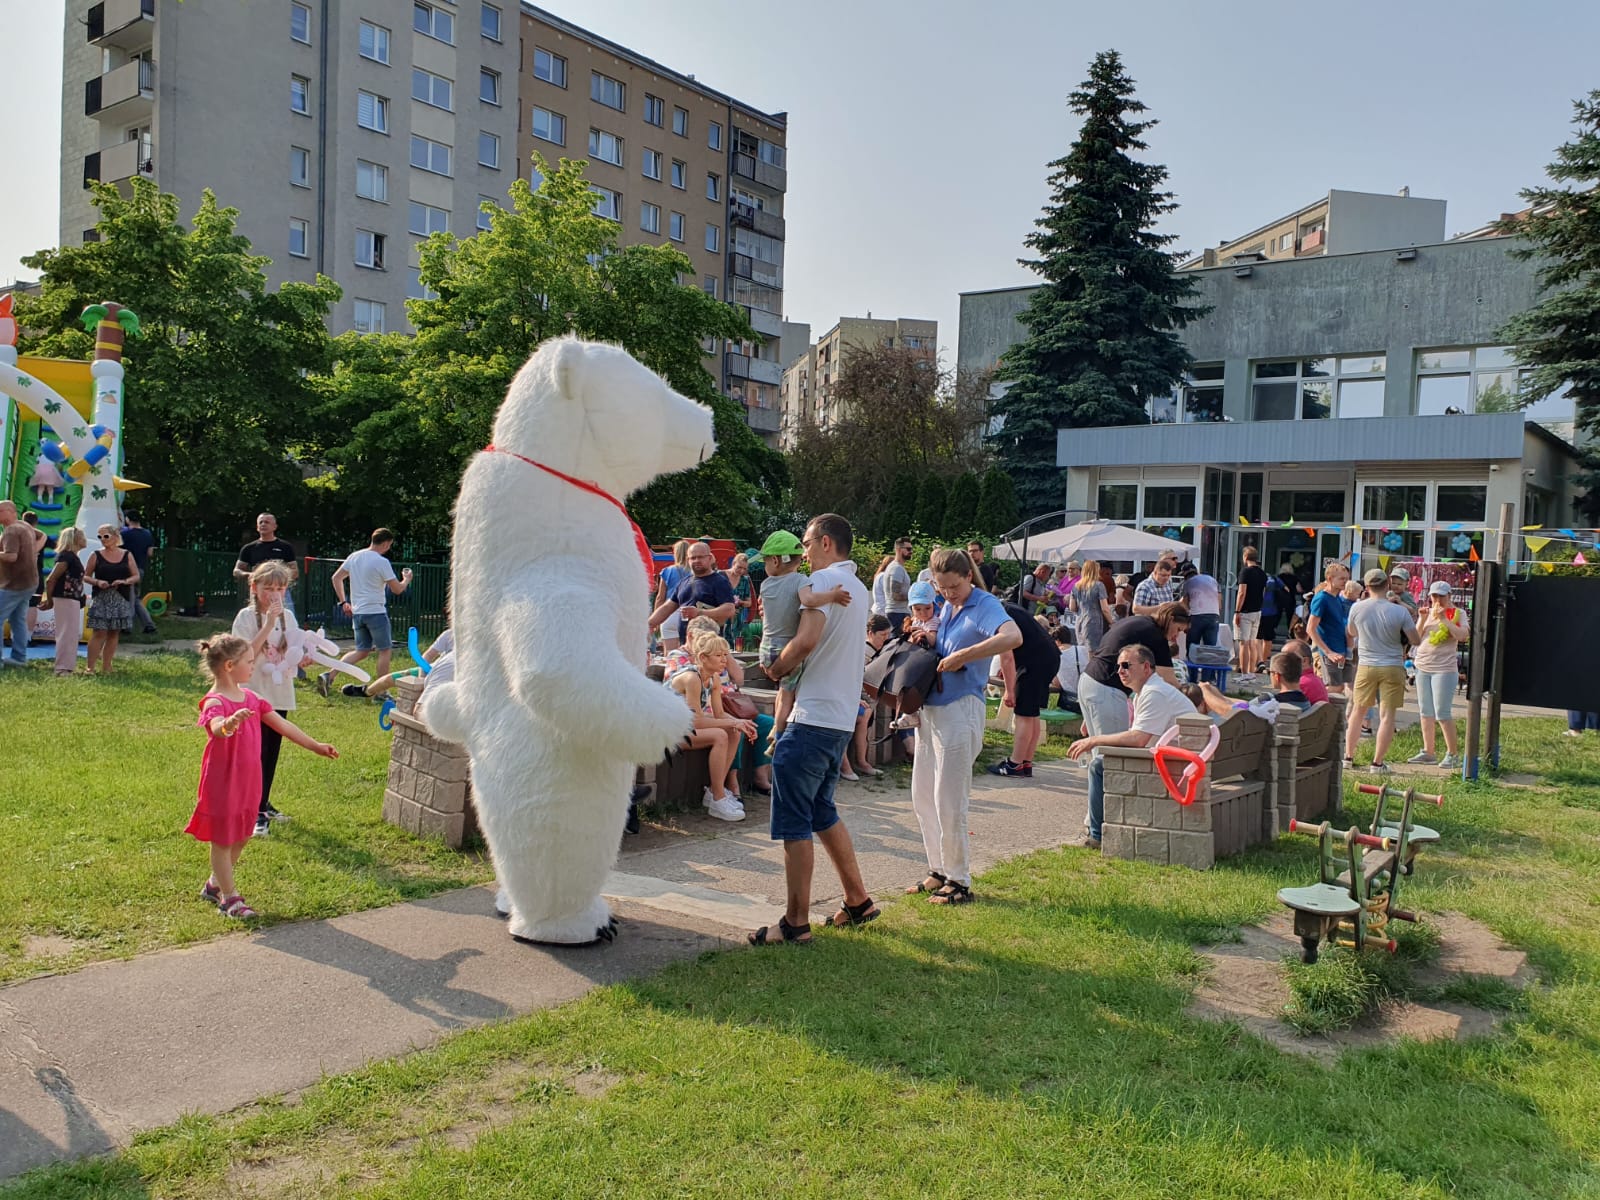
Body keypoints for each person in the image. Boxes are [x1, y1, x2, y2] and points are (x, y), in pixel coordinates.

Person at [750, 513, 879, 945]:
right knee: (822, 810)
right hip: (840, 719)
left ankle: (794, 922)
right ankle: (858, 900)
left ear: (825, 542)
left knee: (793, 820)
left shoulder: (823, 589)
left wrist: (775, 666)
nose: (802, 552)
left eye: (806, 543)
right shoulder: (856, 588)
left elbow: (804, 641)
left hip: (812, 719)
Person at [901, 546, 1022, 906]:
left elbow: (1012, 637)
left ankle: (959, 879)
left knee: (949, 798)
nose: (947, 593)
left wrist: (963, 656)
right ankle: (937, 868)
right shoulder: (947, 607)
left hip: (962, 707)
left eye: (953, 586)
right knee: (923, 794)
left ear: (968, 576)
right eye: (941, 588)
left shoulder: (984, 604)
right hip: (932, 710)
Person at [187, 635, 338, 919]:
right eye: (249, 661)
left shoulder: (253, 699)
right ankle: (230, 899)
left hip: (249, 781)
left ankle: (214, 885)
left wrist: (316, 746)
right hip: (222, 783)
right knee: (222, 839)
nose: (253, 665)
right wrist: (228, 724)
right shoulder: (214, 701)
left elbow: (284, 727)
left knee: (242, 835)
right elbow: (217, 726)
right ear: (230, 666)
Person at [1076, 603, 1191, 848]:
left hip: (1088, 681)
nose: (1176, 636)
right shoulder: (1155, 637)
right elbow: (1169, 680)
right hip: (1105, 688)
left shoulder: (1139, 623)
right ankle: (1101, 826)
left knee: (1101, 761)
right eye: (1179, 629)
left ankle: (1096, 823)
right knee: (1108, 762)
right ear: (1171, 619)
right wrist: (1192, 697)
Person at [234, 562, 317, 835]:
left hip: (279, 694)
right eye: (268, 588)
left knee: (271, 752)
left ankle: (263, 803)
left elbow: (292, 651)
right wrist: (268, 623)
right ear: (254, 588)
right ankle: (254, 811)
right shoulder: (246, 617)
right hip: (253, 692)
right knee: (255, 753)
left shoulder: (289, 618)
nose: (274, 594)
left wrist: (304, 657)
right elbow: (244, 655)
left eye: (280, 588)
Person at [752, 531, 850, 742]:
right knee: (788, 693)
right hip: (788, 648)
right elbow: (810, 599)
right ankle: (778, 732)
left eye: (765, 561)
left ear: (776, 560)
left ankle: (775, 727)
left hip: (766, 647)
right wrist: (832, 596)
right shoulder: (800, 580)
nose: (765, 566)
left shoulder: (765, 585)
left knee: (780, 690)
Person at [1068, 643, 1197, 804]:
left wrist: (1093, 740)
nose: (1120, 671)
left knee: (1099, 765)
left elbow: (1138, 739)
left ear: (1146, 667)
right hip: (1178, 761)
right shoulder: (1148, 691)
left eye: (1126, 665)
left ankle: (1097, 829)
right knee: (1104, 762)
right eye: (1118, 666)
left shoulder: (1154, 693)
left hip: (1178, 766)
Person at [665, 631, 757, 822]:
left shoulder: (713, 678)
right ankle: (718, 798)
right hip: (666, 731)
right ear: (702, 657)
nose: (724, 660)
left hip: (685, 729)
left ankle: (715, 792)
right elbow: (695, 721)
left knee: (733, 732)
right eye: (719, 655)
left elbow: (719, 714)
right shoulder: (692, 678)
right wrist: (733, 721)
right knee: (719, 735)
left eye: (725, 655)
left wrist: (741, 723)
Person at [1343, 569, 1420, 773]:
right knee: (1387, 715)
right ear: (1387, 586)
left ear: (1367, 588)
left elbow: (1351, 632)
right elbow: (1415, 640)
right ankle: (1377, 763)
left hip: (1366, 665)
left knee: (1357, 712)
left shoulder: (1357, 608)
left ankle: (1348, 757)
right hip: (1393, 665)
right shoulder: (1400, 611)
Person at [321, 528, 413, 694]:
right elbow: (397, 589)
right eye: (389, 545)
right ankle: (381, 692)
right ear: (385, 543)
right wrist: (406, 580)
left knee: (362, 651)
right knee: (385, 649)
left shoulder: (355, 556)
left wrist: (343, 602)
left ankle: (330, 675)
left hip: (358, 612)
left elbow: (336, 578)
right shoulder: (381, 562)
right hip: (376, 611)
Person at [989, 597, 1065, 779]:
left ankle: (1014, 764)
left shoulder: (996, 615)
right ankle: (1025, 762)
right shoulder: (1010, 607)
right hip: (1048, 656)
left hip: (1034, 662)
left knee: (1023, 715)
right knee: (1032, 714)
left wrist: (1009, 689)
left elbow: (1006, 656)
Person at [1411, 580, 1467, 767]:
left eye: (1441, 596)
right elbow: (1416, 639)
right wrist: (1421, 619)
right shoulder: (1428, 613)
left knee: (1442, 712)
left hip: (1444, 668)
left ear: (1449, 596)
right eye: (1434, 596)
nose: (1437, 600)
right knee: (1425, 711)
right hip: (1423, 665)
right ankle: (1429, 751)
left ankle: (1453, 754)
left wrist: (1444, 619)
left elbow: (1462, 636)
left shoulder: (1458, 613)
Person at [648, 540, 738, 650]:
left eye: (700, 557)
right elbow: (667, 607)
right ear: (688, 560)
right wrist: (649, 624)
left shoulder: (719, 581)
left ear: (710, 558)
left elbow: (729, 609)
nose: (696, 561)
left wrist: (700, 612)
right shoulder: (684, 582)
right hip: (687, 646)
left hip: (710, 649)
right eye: (693, 558)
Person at [84, 524, 140, 675]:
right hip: (101, 597)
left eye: (106, 536)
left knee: (114, 632)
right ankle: (90, 667)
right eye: (99, 537)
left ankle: (107, 666)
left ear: (115, 537)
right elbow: (86, 575)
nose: (103, 540)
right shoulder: (96, 555)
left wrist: (125, 581)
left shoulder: (127, 554)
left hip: (120, 597)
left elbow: (136, 575)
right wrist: (97, 582)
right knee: (99, 632)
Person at [1196, 650, 1311, 717]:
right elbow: (1247, 705)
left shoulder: (1270, 701)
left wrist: (1205, 691)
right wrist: (1219, 696)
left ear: (1277, 676)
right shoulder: (1306, 702)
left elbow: (1231, 712)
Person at [39, 526, 88, 675]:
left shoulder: (72, 556)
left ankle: (67, 666)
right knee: (66, 633)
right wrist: (50, 600)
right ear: (74, 539)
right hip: (65, 597)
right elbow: (51, 579)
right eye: (81, 536)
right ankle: (62, 668)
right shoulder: (66, 556)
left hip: (71, 598)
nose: (84, 539)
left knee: (70, 633)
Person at [0, 500, 41, 667]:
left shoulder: (11, 531)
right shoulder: (25, 526)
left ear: (11, 511)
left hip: (13, 584)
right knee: (18, 620)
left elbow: (11, 557)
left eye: (1, 511)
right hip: (30, 582)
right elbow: (42, 536)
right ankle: (19, 657)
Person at [232, 513, 299, 615]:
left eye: (267, 522)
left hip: (279, 590)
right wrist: (250, 575)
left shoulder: (285, 547)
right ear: (257, 527)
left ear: (274, 526)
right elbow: (236, 571)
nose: (263, 524)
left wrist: (279, 578)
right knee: (256, 617)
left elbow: (295, 571)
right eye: (261, 522)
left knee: (285, 617)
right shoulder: (249, 548)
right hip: (258, 591)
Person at [1307, 562, 1355, 696]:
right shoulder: (1322, 598)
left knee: (1344, 688)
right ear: (1329, 578)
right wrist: (1328, 652)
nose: (1345, 582)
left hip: (1341, 649)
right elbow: (1310, 629)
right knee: (1333, 688)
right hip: (1329, 651)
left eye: (1347, 578)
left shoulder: (1337, 598)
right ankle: (1311, 704)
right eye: (1341, 579)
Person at [119, 511, 159, 633]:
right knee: (135, 598)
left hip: (127, 569)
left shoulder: (125, 533)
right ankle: (149, 624)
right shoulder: (147, 534)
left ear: (128, 519)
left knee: (129, 598)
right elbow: (150, 553)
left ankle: (127, 627)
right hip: (140, 568)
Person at [1234, 547, 1269, 674]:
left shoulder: (1245, 572)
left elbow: (1242, 592)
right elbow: (1264, 592)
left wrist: (1237, 611)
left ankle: (1244, 674)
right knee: (1253, 642)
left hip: (1246, 611)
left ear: (1245, 557)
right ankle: (1251, 672)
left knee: (1244, 643)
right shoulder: (1262, 573)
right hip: (1257, 610)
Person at [1069, 558, 1114, 658]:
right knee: (1093, 654)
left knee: (1082, 653)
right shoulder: (1099, 585)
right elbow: (1105, 609)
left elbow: (1072, 608)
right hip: (1094, 622)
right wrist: (1112, 622)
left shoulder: (1076, 586)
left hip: (1079, 621)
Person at [653, 539, 692, 653]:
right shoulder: (695, 572)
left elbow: (660, 597)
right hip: (689, 613)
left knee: (670, 655)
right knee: (689, 653)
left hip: (668, 613)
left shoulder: (667, 571)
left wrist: (656, 618)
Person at [1181, 562, 1222, 648]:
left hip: (1196, 616)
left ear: (1185, 575)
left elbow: (1184, 605)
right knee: (1211, 649)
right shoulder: (1212, 580)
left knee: (1192, 647)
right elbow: (1219, 602)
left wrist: (1185, 621)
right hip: (1214, 615)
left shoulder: (1188, 583)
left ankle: (1191, 661)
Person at [879, 537, 913, 634]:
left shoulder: (897, 567)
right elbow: (895, 595)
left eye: (911, 549)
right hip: (897, 614)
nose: (911, 552)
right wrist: (913, 595)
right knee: (898, 645)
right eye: (908, 549)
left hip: (898, 613)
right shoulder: (896, 569)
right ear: (898, 549)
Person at [1283, 638, 1330, 705]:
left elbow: (1286, 708)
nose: (1282, 661)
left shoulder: (1300, 684)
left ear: (1304, 661)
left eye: (1287, 657)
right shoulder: (1315, 679)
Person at [722, 553, 753, 646]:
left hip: (736, 621)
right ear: (733, 563)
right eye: (739, 567)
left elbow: (749, 603)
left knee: (736, 647)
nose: (742, 571)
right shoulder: (721, 575)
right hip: (721, 617)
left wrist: (741, 602)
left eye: (744, 569)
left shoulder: (745, 580)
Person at [1053, 625, 1082, 711]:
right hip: (1085, 697)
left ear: (1057, 641)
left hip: (1069, 701)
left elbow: (1057, 684)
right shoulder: (1082, 650)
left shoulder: (1055, 656)